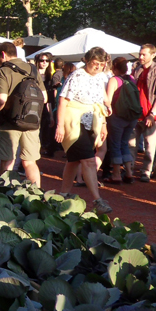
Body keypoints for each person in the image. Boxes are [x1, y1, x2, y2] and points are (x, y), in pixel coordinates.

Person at [54, 47, 112, 214]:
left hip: (92, 122)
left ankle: (63, 194)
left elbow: (100, 102)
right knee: (88, 160)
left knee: (73, 160)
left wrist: (103, 124)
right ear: (87, 61)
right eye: (95, 63)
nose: (98, 67)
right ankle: (97, 200)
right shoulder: (77, 76)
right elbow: (63, 101)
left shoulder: (100, 77)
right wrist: (60, 125)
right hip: (74, 122)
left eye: (101, 64)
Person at [0, 42, 46, 186]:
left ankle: (6, 192)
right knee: (30, 162)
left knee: (7, 160)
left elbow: (2, 99)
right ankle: (36, 193)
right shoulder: (32, 69)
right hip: (31, 122)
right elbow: (44, 98)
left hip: (9, 122)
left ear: (3, 54)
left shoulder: (3, 71)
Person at [133, 44, 156, 182]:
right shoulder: (137, 70)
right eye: (140, 54)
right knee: (131, 145)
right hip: (136, 114)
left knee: (149, 147)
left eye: (144, 54)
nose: (141, 57)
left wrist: (152, 114)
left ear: (153, 55)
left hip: (150, 115)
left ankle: (146, 172)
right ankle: (129, 169)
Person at [103, 57, 140, 185]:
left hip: (117, 116)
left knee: (115, 144)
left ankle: (116, 174)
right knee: (124, 144)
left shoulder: (114, 80)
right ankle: (129, 172)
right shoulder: (131, 79)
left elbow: (108, 100)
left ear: (114, 67)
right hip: (131, 116)